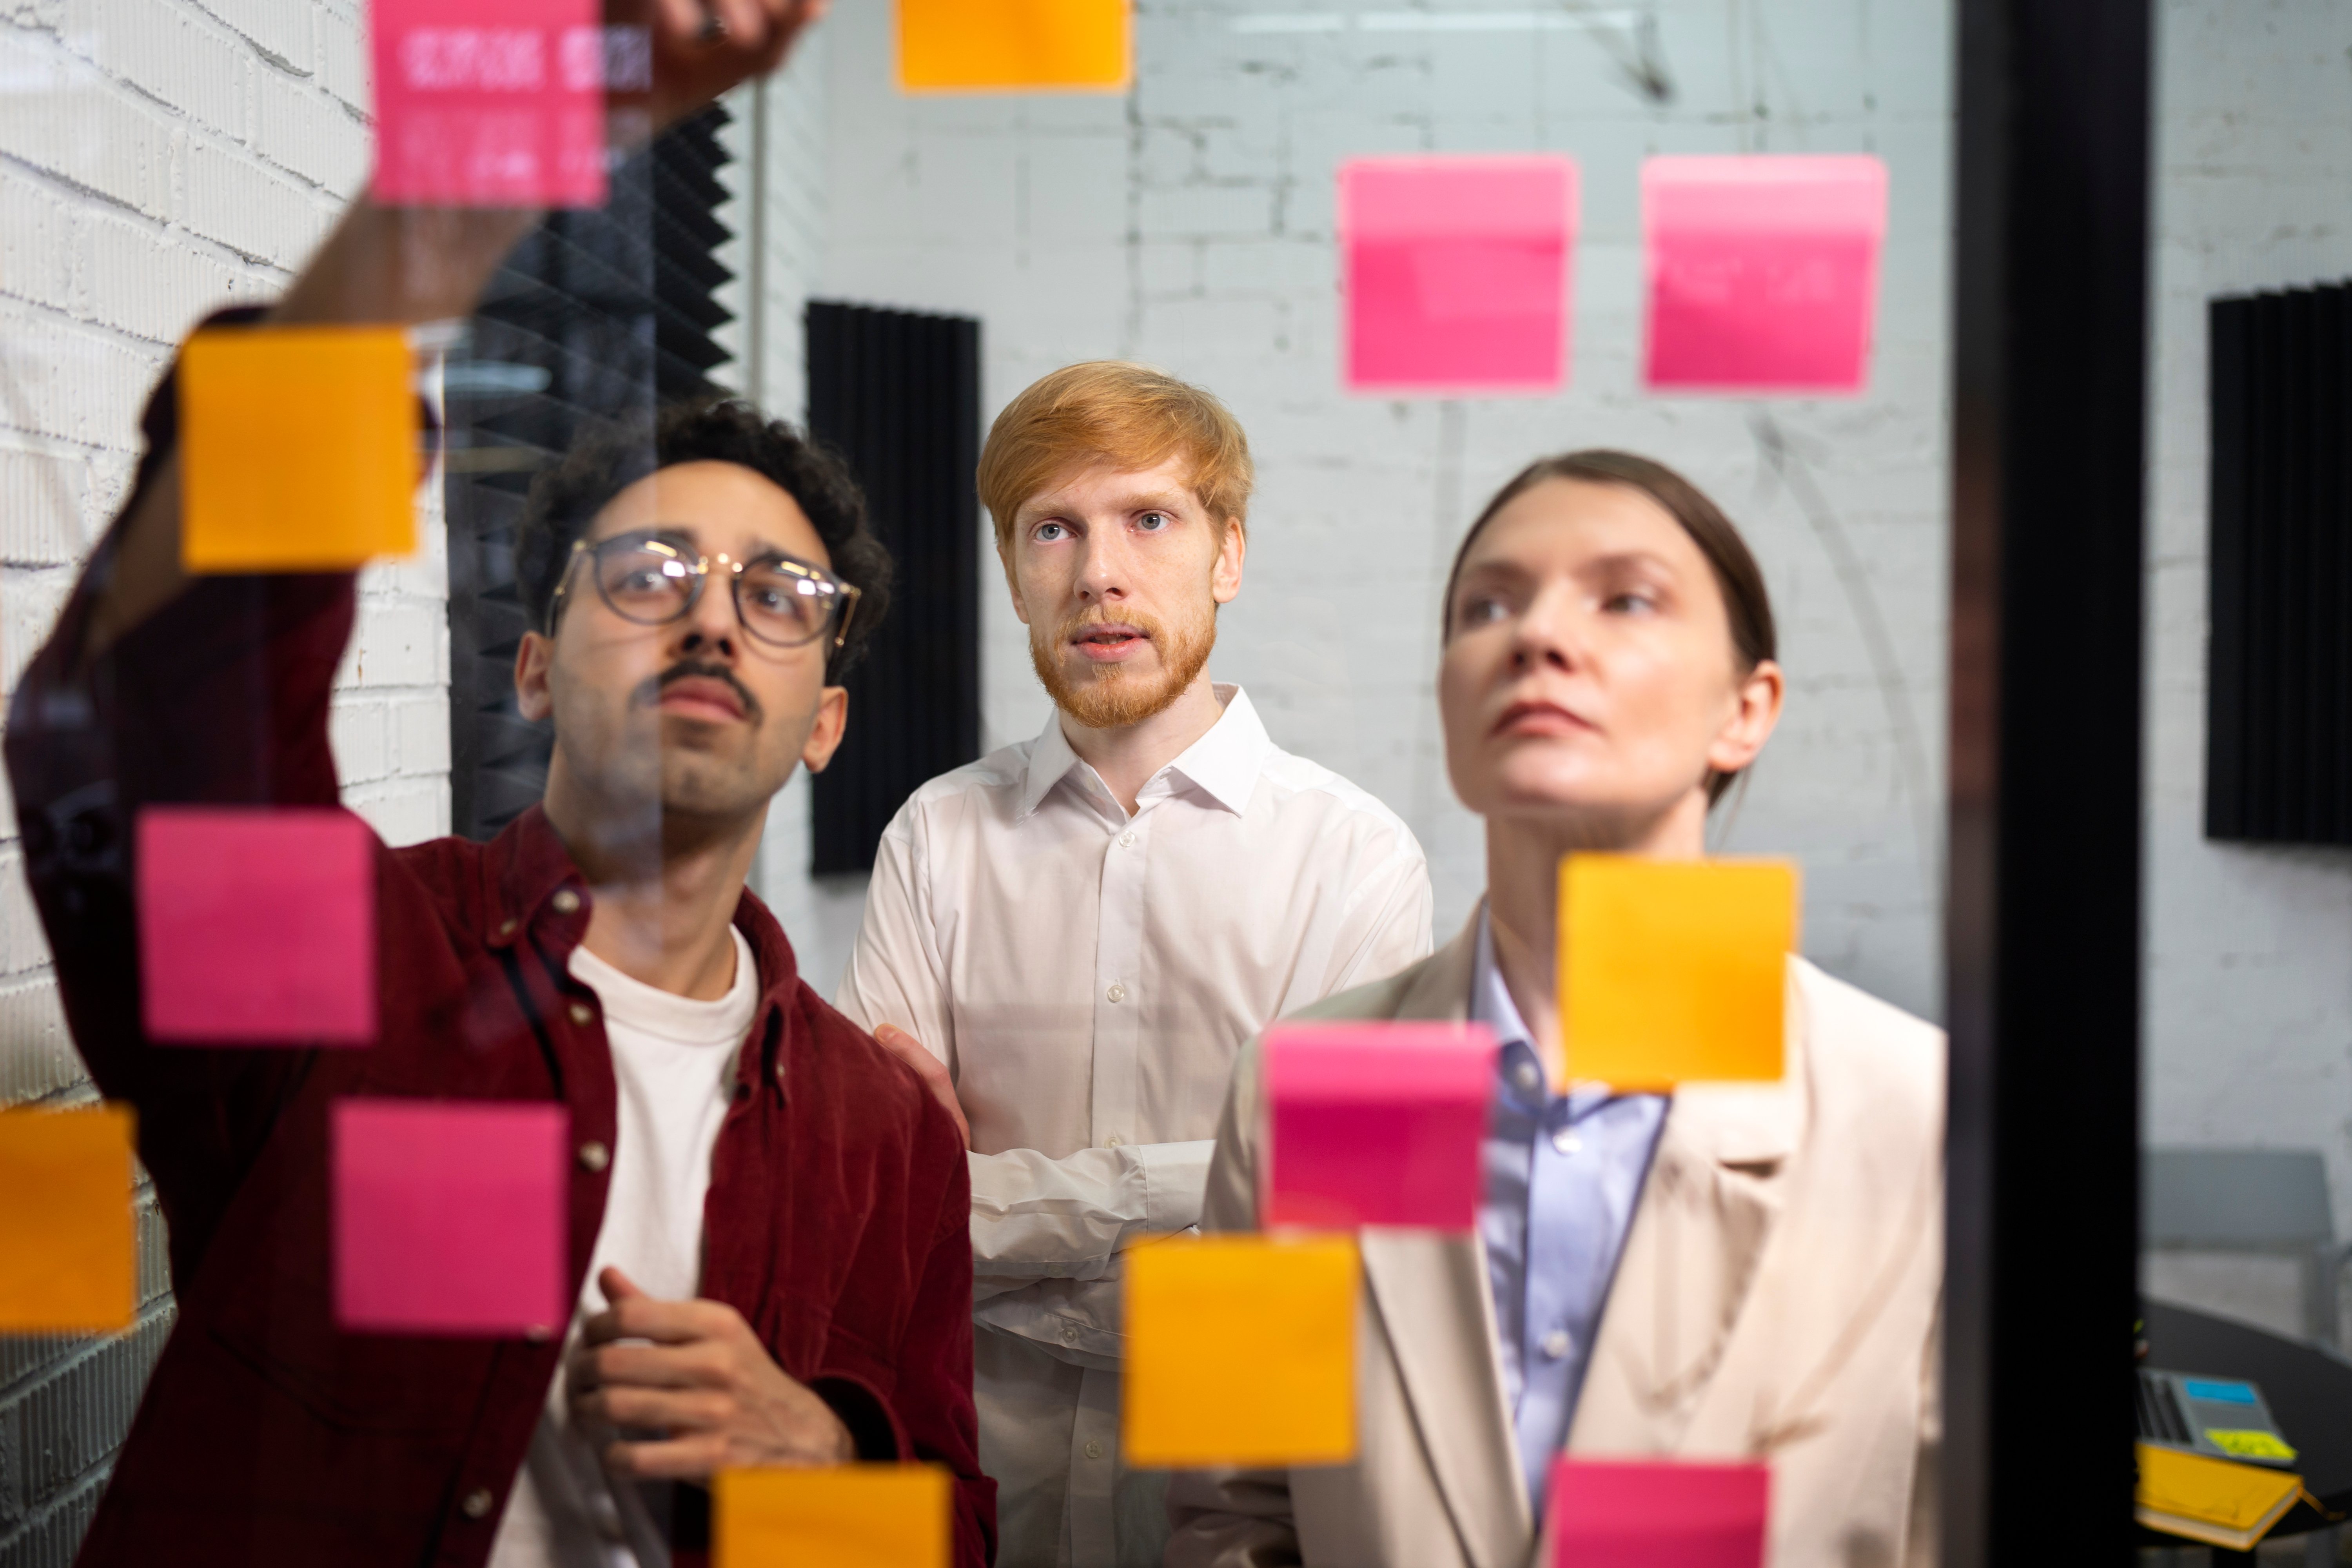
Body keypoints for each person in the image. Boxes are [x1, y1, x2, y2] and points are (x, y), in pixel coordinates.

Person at [2, 7, 995, 1563]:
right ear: (532, 668)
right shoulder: (354, 966)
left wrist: (826, 1454)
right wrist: (469, 171)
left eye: (778, 593)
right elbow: (150, 721)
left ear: (826, 723)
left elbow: (951, 1531)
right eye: (649, 571)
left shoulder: (889, 1134)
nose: (712, 615)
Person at [1163, 452, 1944, 1568]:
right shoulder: (1294, 1087)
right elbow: (1225, 1512)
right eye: (1489, 606)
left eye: (1625, 599)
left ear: (1746, 710)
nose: (1536, 635)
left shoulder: (1918, 1111)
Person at [835, 361, 1434, 1568]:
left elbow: (1341, 1226)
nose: (1099, 573)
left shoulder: (1354, 857)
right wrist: (1212, 1181)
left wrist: (998, 1207)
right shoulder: (935, 837)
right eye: (1053, 529)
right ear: (1014, 570)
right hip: (972, 1473)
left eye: (1149, 520)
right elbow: (878, 1210)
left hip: (1237, 1489)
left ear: (1228, 557)